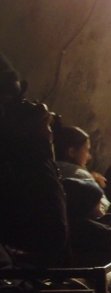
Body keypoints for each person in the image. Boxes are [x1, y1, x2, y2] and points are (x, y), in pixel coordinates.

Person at [0, 97, 67, 268]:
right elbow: (53, 224)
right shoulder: (35, 168)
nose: (51, 132)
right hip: (34, 271)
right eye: (45, 125)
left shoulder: (25, 163)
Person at [54, 125, 110, 213]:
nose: (89, 157)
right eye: (87, 150)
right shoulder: (79, 175)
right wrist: (95, 186)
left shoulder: (51, 169)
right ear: (71, 152)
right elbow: (104, 210)